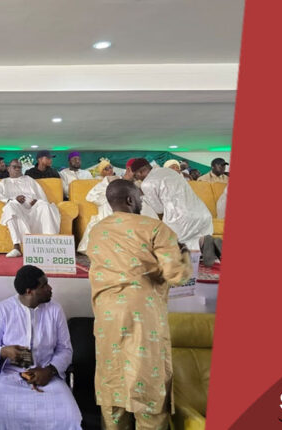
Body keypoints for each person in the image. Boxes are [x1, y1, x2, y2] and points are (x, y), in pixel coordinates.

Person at [86, 179, 192, 430]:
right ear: (130, 199)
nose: (143, 202)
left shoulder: (97, 231)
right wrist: (183, 254)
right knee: (148, 389)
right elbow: (176, 275)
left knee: (113, 386)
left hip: (107, 318)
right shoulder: (155, 227)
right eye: (141, 198)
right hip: (143, 316)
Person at [0, 265, 81, 430]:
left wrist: (50, 371)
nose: (50, 289)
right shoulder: (2, 310)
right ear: (29, 291)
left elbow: (65, 349)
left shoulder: (55, 310)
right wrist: (4, 351)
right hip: (9, 378)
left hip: (48, 376)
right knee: (1, 416)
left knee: (70, 416)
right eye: (44, 286)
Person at [132, 158, 213, 251]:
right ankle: (205, 246)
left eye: (135, 175)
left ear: (140, 172)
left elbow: (159, 209)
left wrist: (144, 197)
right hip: (203, 215)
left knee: (174, 247)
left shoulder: (147, 183)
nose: (136, 178)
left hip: (181, 220)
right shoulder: (169, 171)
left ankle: (198, 249)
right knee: (198, 245)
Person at [0, 159, 60, 258]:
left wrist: (36, 201)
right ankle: (16, 247)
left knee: (45, 206)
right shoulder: (3, 183)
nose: (17, 169)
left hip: (33, 208)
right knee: (10, 207)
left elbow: (42, 196)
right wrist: (13, 199)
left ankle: (50, 244)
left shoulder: (29, 179)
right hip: (17, 207)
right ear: (8, 168)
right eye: (14, 167)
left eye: (19, 167)